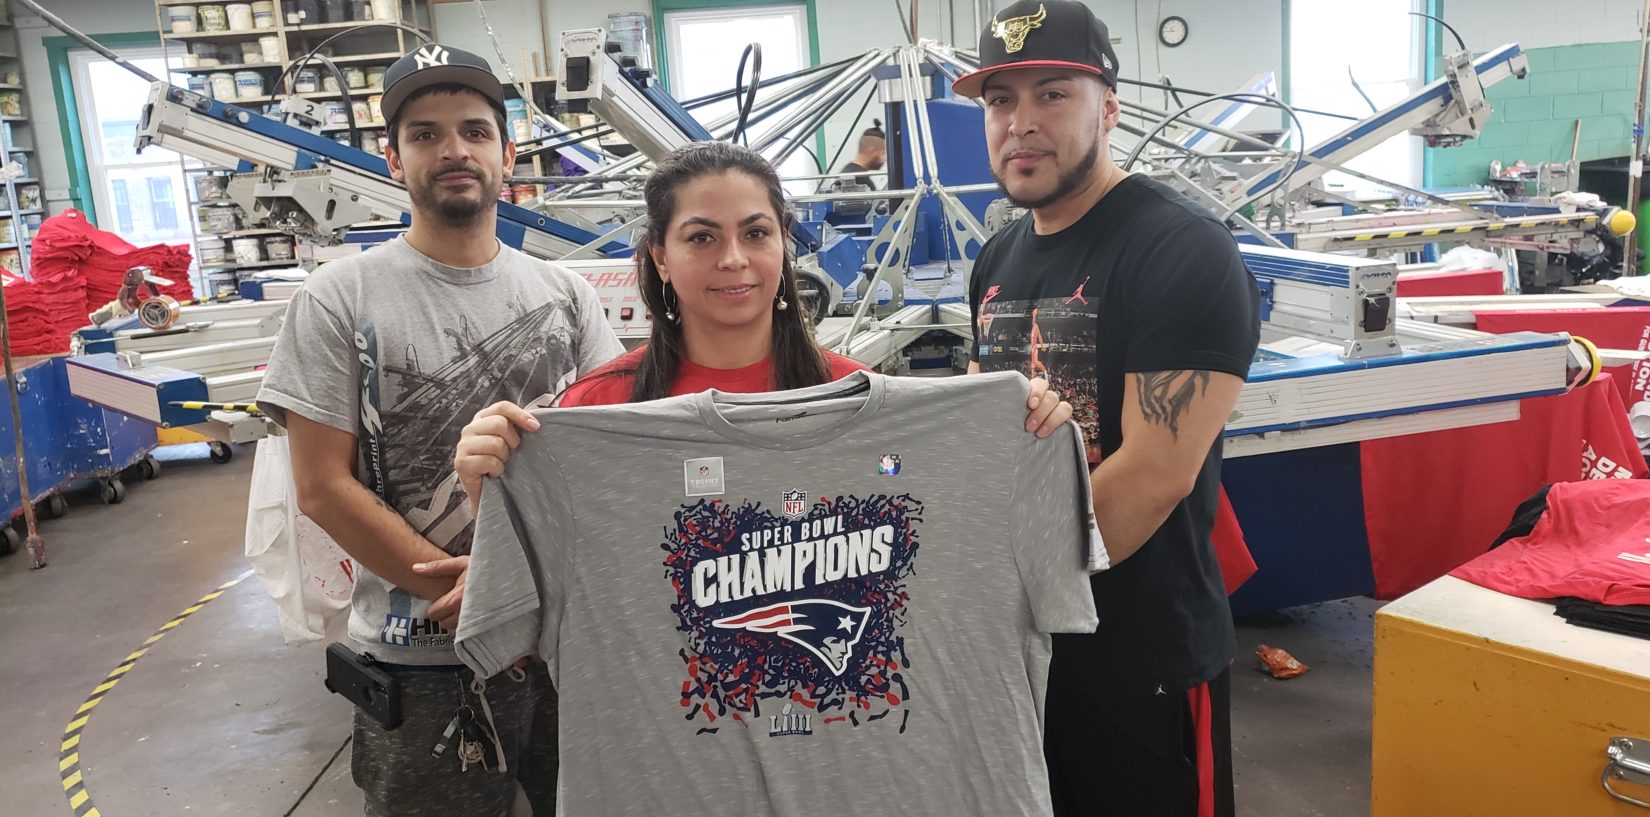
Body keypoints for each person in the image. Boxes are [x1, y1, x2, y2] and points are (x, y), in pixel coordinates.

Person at [254, 44, 622, 817]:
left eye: (474, 131)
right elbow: (322, 487)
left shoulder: (567, 296)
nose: (453, 149)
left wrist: (532, 598)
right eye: (424, 134)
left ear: (507, 153)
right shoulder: (337, 300)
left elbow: (607, 455)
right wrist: (470, 590)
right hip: (422, 657)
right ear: (393, 160)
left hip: (561, 647)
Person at [953, 1, 1261, 815]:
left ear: (1109, 108)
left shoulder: (1179, 249)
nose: (1021, 123)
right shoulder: (996, 258)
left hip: (1140, 665)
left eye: (1052, 94)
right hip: (1021, 661)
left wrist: (996, 594)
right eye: (999, 100)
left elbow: (1153, 473)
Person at [452, 140, 1071, 523]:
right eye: (701, 237)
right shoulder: (598, 407)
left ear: (782, 243)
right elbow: (543, 578)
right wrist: (493, 490)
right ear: (660, 257)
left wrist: (1020, 429)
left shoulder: (863, 397)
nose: (733, 259)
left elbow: (953, 527)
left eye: (755, 233)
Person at [836, 120, 887, 190]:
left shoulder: (850, 174)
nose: (885, 159)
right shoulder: (858, 179)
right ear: (871, 151)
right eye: (883, 153)